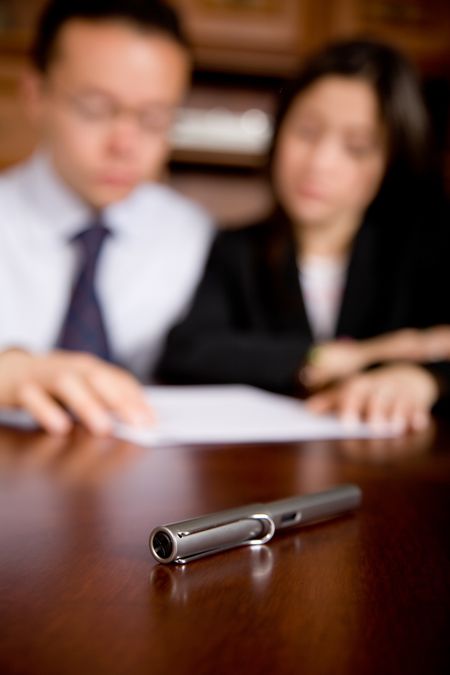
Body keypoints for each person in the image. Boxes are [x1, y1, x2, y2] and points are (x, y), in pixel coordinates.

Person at [157, 38, 450, 433]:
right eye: (307, 132)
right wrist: (332, 358)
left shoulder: (424, 255)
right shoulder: (237, 250)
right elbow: (189, 351)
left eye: (357, 147)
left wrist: (423, 380)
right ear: (279, 131)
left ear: (390, 162)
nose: (320, 163)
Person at [0, 0, 214, 435]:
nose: (125, 143)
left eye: (154, 119)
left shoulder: (195, 237)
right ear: (35, 94)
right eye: (95, 108)